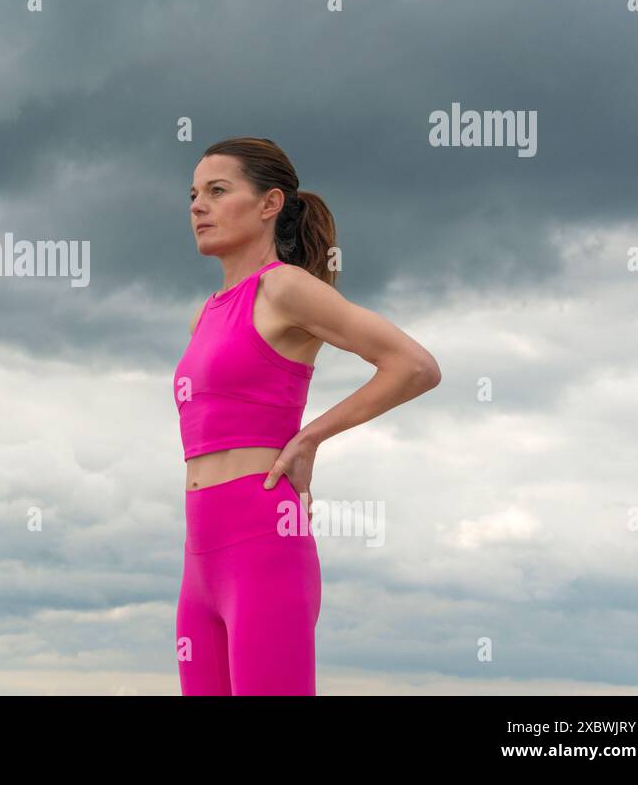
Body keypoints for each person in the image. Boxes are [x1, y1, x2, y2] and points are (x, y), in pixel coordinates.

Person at [174, 136, 441, 695]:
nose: (198, 205)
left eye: (218, 191)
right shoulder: (208, 312)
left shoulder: (284, 288)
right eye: (194, 194)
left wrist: (310, 438)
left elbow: (413, 366)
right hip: (198, 555)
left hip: (262, 543)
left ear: (270, 204)